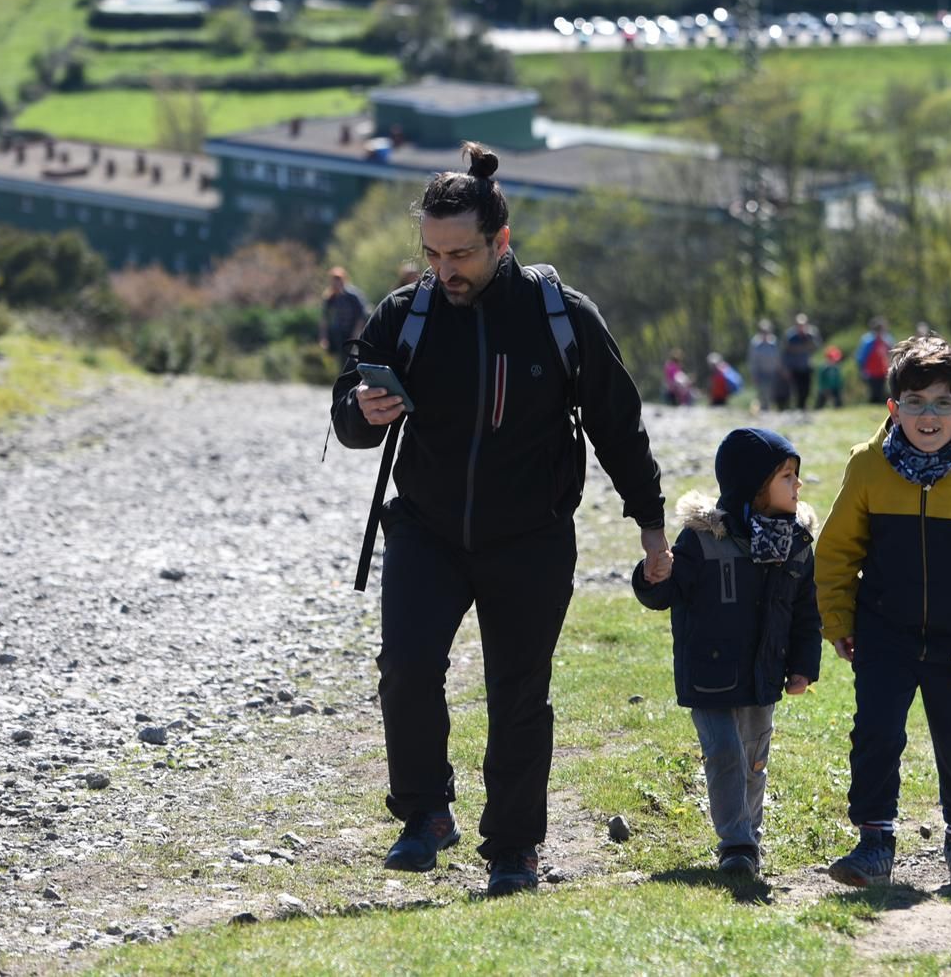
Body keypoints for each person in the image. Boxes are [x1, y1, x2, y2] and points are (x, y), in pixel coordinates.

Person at [329, 143, 672, 894]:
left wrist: (650, 524)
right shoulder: (405, 315)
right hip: (426, 529)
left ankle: (514, 847)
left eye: (461, 254)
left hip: (531, 536)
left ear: (501, 242)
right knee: (407, 670)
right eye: (431, 252)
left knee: (520, 689)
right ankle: (425, 815)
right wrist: (361, 409)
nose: (444, 269)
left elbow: (619, 424)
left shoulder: (561, 317)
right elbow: (348, 414)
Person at [815, 335, 951, 887]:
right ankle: (873, 843)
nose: (928, 416)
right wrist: (840, 622)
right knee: (875, 736)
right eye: (914, 403)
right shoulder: (867, 468)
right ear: (894, 409)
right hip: (883, 634)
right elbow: (838, 551)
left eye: (942, 403)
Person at [631, 428, 822, 878]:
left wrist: (802, 666)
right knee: (723, 753)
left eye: (797, 477)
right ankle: (736, 843)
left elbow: (804, 612)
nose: (798, 486)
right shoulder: (702, 540)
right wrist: (653, 575)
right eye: (787, 477)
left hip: (762, 675)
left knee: (754, 757)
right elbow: (665, 595)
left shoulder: (795, 545)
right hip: (709, 674)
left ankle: (748, 836)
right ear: (755, 486)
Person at [319, 267, 370, 367]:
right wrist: (323, 337)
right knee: (343, 362)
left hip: (356, 332)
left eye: (338, 279)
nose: (336, 282)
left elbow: (362, 315)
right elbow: (324, 318)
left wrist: (356, 334)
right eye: (334, 279)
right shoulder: (330, 297)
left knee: (355, 360)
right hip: (340, 333)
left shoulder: (353, 295)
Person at [780, 313, 821, 411]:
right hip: (794, 367)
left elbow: (817, 346)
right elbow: (784, 353)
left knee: (807, 389)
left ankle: (804, 407)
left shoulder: (812, 334)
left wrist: (808, 337)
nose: (801, 327)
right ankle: (799, 408)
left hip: (807, 366)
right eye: (799, 325)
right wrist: (785, 368)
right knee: (797, 389)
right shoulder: (790, 336)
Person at [853, 317, 895, 404]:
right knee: (874, 391)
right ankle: (873, 405)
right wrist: (862, 369)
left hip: (883, 370)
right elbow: (861, 356)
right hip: (871, 371)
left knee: (881, 390)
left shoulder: (887, 340)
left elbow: (892, 352)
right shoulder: (868, 340)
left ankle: (877, 405)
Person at [747, 320, 784, 413]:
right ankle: (764, 409)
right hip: (760, 372)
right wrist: (753, 373)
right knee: (762, 391)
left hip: (772, 371)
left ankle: (767, 408)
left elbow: (777, 356)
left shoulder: (773, 341)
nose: (765, 333)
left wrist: (780, 369)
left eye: (767, 331)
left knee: (770, 391)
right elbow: (752, 360)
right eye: (763, 331)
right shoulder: (755, 343)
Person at [815, 345, 845, 409]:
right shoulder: (824, 368)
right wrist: (824, 389)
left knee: (838, 402)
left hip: (835, 388)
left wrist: (840, 386)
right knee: (820, 404)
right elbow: (821, 380)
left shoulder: (836, 368)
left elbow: (838, 379)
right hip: (824, 389)